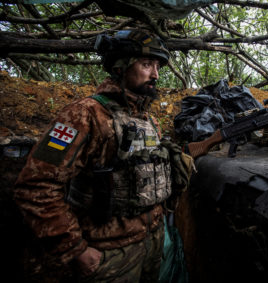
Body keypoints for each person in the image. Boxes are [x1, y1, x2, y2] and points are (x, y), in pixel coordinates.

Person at [14, 29, 193, 282]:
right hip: (109, 254)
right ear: (120, 67)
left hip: (152, 243)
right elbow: (36, 186)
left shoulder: (149, 119)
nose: (155, 74)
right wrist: (75, 249)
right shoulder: (83, 115)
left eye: (157, 66)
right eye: (146, 64)